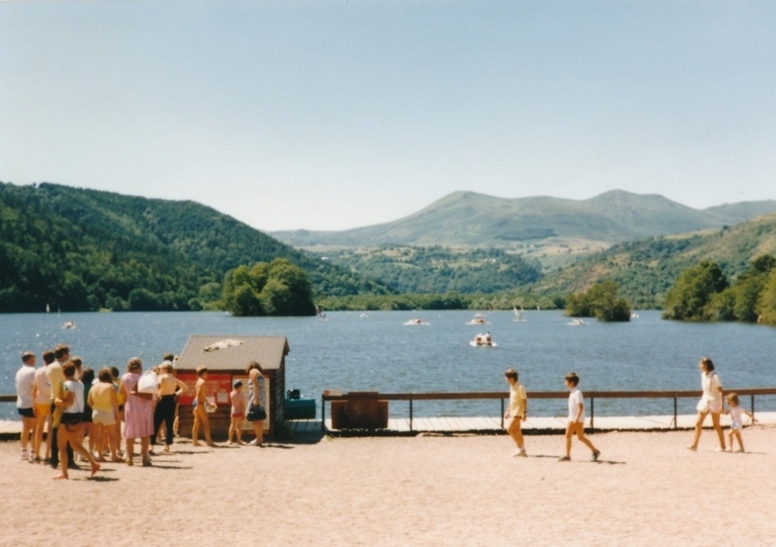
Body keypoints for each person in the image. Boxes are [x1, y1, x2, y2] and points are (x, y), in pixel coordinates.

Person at [53, 362, 100, 479]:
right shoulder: (80, 384)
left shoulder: (66, 384)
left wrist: (57, 401)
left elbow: (69, 402)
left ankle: (64, 472)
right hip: (79, 416)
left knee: (62, 446)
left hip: (67, 416)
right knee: (75, 444)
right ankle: (93, 463)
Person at [120, 358, 155, 466]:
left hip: (130, 407)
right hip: (144, 408)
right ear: (139, 367)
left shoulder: (124, 378)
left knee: (130, 434)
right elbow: (150, 395)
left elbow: (122, 393)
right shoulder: (144, 378)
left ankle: (129, 457)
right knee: (144, 433)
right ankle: (145, 456)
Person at [687, 357, 726, 452]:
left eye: (701, 364)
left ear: (706, 365)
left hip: (715, 400)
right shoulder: (703, 375)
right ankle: (694, 445)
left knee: (716, 424)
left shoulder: (715, 377)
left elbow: (721, 391)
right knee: (698, 423)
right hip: (705, 399)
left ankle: (722, 446)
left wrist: (722, 405)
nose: (699, 366)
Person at [560, 372, 600, 462]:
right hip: (574, 417)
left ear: (572, 382)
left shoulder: (577, 393)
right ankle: (595, 451)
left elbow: (580, 407)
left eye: (566, 381)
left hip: (575, 418)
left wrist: (576, 418)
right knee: (580, 437)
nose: (565, 383)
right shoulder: (573, 392)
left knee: (569, 436)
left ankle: (567, 455)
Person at [47, 344, 75, 470]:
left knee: (55, 430)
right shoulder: (67, 367)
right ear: (64, 354)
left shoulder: (50, 367)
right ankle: (69, 459)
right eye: (67, 353)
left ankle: (54, 459)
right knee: (69, 430)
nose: (68, 355)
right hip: (65, 400)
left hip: (54, 400)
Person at [152, 361, 188, 453]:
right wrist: (176, 393)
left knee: (156, 422)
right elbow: (185, 387)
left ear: (165, 369)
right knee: (169, 423)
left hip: (162, 399)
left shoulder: (162, 377)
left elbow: (158, 386)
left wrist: (157, 395)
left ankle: (151, 444)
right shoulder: (174, 379)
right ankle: (167, 445)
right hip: (171, 399)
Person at [87, 368, 122, 462]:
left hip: (96, 412)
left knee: (99, 436)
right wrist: (116, 412)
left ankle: (99, 455)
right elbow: (114, 402)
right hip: (107, 411)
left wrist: (95, 408)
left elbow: (89, 402)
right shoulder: (110, 386)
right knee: (112, 436)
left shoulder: (93, 386)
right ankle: (113, 455)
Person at [31, 350, 55, 463]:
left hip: (39, 400)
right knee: (50, 429)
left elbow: (34, 388)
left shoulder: (38, 371)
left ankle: (36, 454)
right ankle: (47, 455)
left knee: (39, 428)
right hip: (50, 400)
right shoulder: (53, 371)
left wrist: (33, 403)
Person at [15, 351, 37, 462]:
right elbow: (34, 388)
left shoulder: (19, 372)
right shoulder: (32, 371)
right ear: (29, 359)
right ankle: (33, 452)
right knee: (35, 428)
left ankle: (23, 451)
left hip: (21, 402)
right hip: (30, 403)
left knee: (25, 428)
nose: (35, 360)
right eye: (34, 358)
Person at [503, 368, 527, 457]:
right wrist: (507, 411)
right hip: (513, 411)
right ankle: (522, 449)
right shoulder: (512, 387)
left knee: (509, 429)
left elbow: (524, 400)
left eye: (507, 378)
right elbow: (511, 401)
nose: (506, 379)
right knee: (517, 431)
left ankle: (519, 447)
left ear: (511, 378)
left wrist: (524, 413)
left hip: (518, 412)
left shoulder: (520, 387)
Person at [192, 366, 216, 447]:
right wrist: (197, 406)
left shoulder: (198, 381)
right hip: (199, 403)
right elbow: (199, 395)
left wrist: (209, 403)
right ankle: (209, 441)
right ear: (203, 373)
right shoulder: (202, 382)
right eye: (206, 373)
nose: (207, 375)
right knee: (206, 423)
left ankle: (194, 441)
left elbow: (201, 395)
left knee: (197, 423)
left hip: (198, 402)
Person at [246, 361, 267, 446]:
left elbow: (255, 386)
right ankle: (260, 437)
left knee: (255, 417)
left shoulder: (253, 372)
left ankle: (258, 439)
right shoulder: (260, 374)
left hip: (256, 395)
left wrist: (255, 399)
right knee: (259, 416)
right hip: (262, 395)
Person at [228, 380, 246, 445]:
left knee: (232, 425)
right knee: (239, 427)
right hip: (239, 412)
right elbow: (242, 405)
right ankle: (239, 440)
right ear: (239, 387)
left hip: (233, 411)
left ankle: (230, 440)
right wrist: (244, 413)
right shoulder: (241, 395)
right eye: (241, 387)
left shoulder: (231, 394)